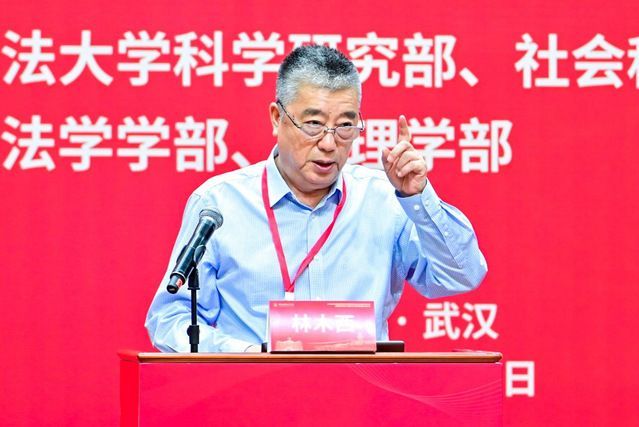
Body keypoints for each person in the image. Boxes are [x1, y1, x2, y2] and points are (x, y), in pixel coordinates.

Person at [146, 45, 487, 353]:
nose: (329, 143)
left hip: (361, 395)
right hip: (251, 393)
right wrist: (247, 356)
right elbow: (170, 318)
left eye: (345, 126)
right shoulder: (220, 203)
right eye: (313, 124)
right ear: (277, 118)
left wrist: (418, 198)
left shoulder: (385, 200)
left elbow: (463, 275)